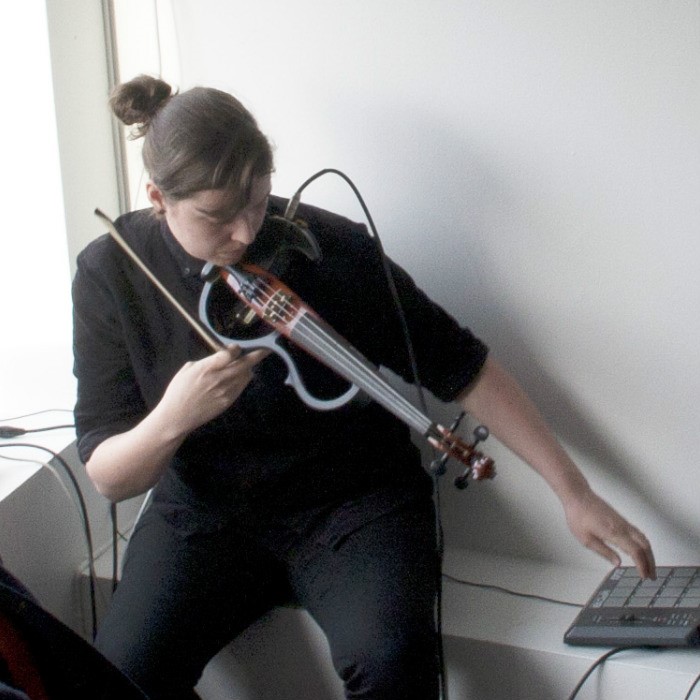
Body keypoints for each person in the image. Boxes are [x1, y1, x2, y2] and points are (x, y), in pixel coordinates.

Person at [72, 74, 655, 700]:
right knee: (118, 680)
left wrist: (573, 492)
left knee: (392, 660)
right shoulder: (111, 272)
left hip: (352, 506)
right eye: (217, 216)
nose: (245, 233)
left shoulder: (328, 246)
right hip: (205, 514)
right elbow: (109, 475)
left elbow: (462, 366)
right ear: (158, 198)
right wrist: (174, 418)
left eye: (258, 200)